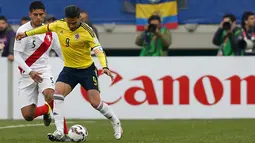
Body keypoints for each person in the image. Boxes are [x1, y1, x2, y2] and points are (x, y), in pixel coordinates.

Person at [16, 5, 123, 141]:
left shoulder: (87, 31)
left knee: (95, 102)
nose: (71, 26)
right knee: (57, 95)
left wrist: (105, 66)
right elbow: (44, 28)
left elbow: (98, 50)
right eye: (69, 22)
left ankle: (115, 122)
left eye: (74, 23)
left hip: (86, 70)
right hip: (69, 70)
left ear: (79, 19)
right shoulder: (59, 24)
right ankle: (60, 131)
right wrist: (25, 34)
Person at [13, 1, 67, 130]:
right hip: (27, 74)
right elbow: (17, 56)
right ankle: (45, 110)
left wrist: (72, 65)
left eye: (41, 14)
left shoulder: (50, 32)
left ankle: (64, 131)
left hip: (44, 71)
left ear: (44, 14)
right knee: (28, 115)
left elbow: (60, 52)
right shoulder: (22, 31)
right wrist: (30, 71)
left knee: (49, 94)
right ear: (30, 14)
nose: (38, 17)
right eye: (35, 14)